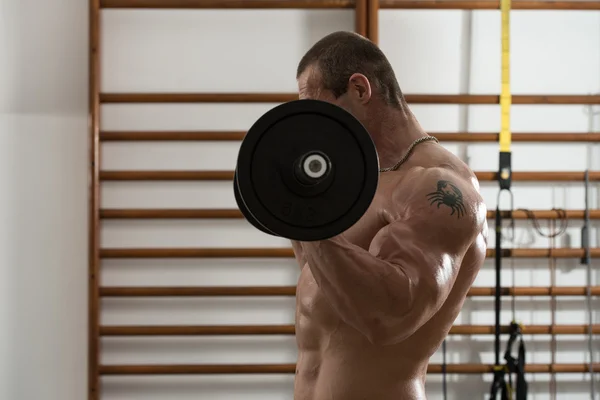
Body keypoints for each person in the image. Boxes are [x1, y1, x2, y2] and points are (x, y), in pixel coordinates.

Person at [290, 31, 489, 399]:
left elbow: (390, 317)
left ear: (360, 89)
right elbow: (319, 275)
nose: (313, 126)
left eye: (319, 109)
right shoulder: (352, 183)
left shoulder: (439, 187)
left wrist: (311, 221)